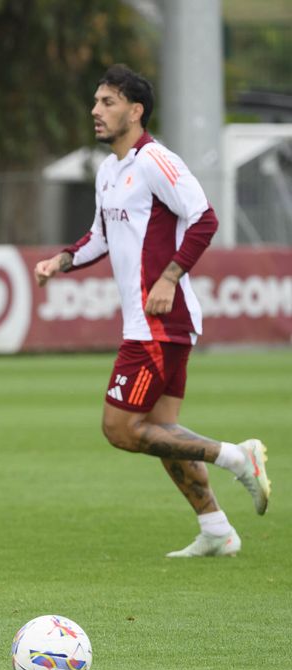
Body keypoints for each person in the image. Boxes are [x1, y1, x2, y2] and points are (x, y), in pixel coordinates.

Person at [34, 65, 271, 558]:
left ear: (135, 111)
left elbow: (205, 217)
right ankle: (216, 529)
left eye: (107, 102)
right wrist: (62, 259)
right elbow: (100, 236)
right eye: (96, 102)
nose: (95, 111)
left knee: (120, 429)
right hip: (151, 322)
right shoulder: (109, 169)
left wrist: (169, 277)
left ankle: (237, 456)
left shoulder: (154, 160)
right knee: (162, 432)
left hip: (161, 320)